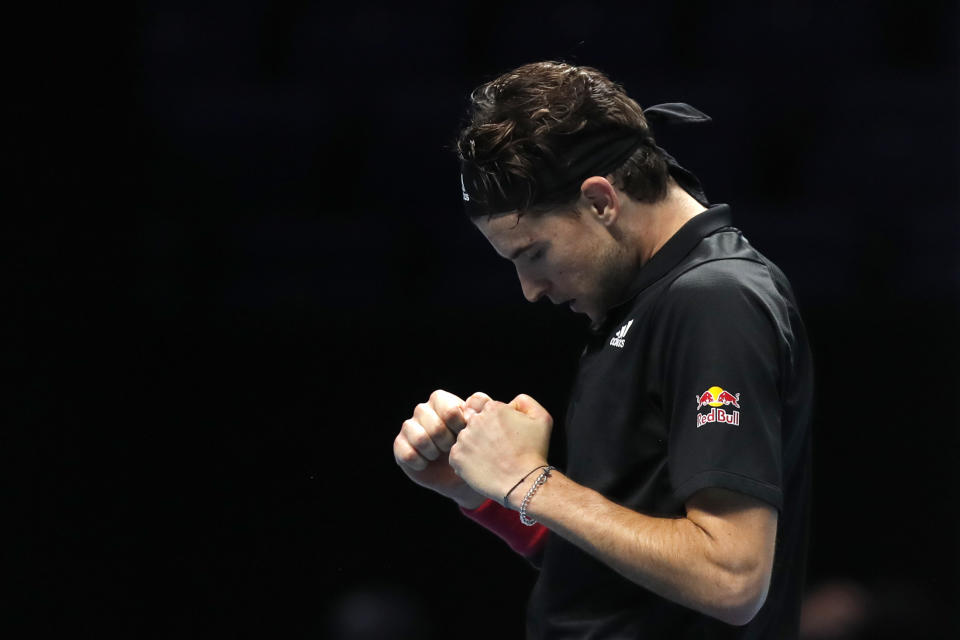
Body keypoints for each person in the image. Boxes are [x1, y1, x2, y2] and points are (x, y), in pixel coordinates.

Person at [393, 61, 813, 639]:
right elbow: (606, 571)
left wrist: (530, 480)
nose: (531, 291)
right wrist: (485, 494)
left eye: (532, 253)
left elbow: (731, 577)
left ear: (600, 200)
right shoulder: (641, 298)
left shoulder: (715, 301)